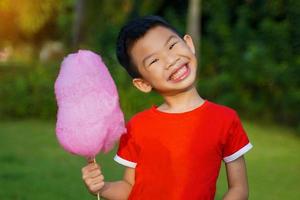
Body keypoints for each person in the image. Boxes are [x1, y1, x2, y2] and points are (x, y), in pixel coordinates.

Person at [81, 15, 253, 200]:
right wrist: (101, 187)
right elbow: (129, 188)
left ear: (189, 43)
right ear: (143, 84)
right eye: (154, 61)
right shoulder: (137, 126)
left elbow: (239, 188)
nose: (170, 60)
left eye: (172, 46)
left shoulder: (225, 119)